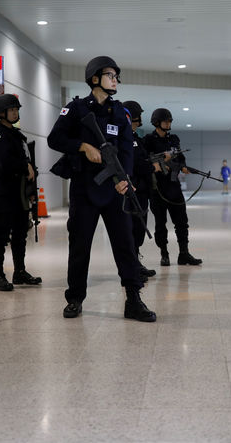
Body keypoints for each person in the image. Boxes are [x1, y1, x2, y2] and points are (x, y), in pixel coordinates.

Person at [47, 56, 155, 322]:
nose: (115, 79)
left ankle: (133, 299)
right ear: (95, 78)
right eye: (110, 75)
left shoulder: (121, 113)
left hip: (114, 189)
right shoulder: (75, 109)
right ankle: (74, 298)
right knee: (80, 244)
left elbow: (128, 148)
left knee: (125, 245)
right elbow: (55, 138)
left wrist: (125, 177)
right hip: (84, 188)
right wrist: (83, 147)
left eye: (117, 76)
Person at [0, 94, 42, 291]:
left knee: (20, 233)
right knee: (1, 234)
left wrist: (31, 190)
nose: (16, 112)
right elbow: (6, 162)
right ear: (1, 113)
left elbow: (28, 162)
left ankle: (19, 272)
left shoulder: (17, 135)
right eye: (12, 110)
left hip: (20, 192)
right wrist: (25, 166)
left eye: (17, 109)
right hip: (5, 191)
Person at [143, 108, 203, 267]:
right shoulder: (148, 140)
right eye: (165, 121)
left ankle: (184, 253)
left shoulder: (174, 139)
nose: (168, 124)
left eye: (170, 121)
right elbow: (143, 161)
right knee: (160, 224)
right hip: (157, 190)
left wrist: (181, 166)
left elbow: (181, 158)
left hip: (174, 187)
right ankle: (164, 254)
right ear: (157, 122)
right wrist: (157, 164)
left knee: (182, 222)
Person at [122, 100, 157, 281]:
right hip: (133, 191)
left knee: (138, 231)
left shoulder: (135, 137)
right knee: (132, 230)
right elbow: (137, 164)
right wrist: (152, 166)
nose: (141, 118)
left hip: (142, 191)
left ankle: (135, 263)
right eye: (138, 115)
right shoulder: (127, 138)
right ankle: (131, 268)